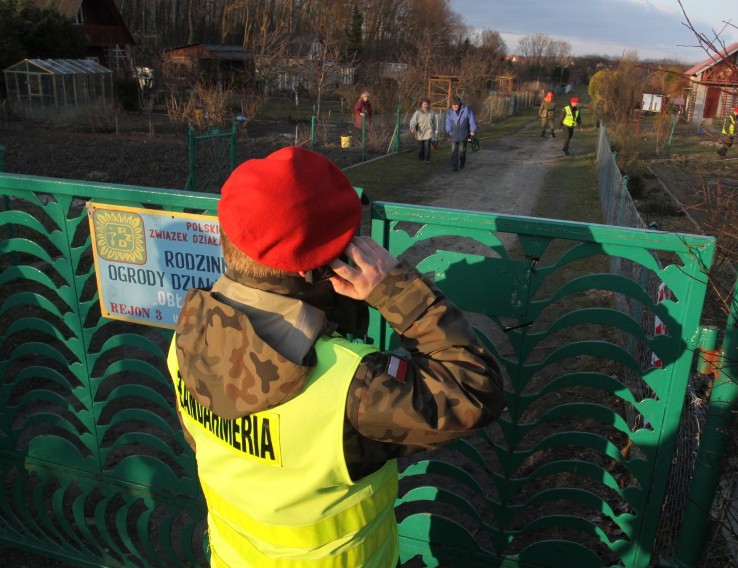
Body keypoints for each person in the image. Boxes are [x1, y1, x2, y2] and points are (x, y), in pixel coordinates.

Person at [166, 147, 505, 567]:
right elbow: (476, 387)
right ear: (331, 265)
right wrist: (397, 291)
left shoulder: (189, 335)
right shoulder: (352, 386)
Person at [445, 95, 477, 171]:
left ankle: (462, 162)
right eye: (453, 105)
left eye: (456, 104)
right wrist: (449, 131)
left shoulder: (466, 110)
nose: (454, 106)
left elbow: (472, 120)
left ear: (459, 104)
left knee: (462, 151)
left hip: (464, 134)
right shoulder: (450, 112)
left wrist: (472, 130)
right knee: (453, 151)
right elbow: (447, 123)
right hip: (454, 134)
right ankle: (454, 167)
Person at [409, 98, 437, 164]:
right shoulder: (418, 112)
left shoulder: (431, 113)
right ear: (421, 105)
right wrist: (412, 127)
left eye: (427, 104)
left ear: (428, 105)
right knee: (421, 147)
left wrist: (435, 131)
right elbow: (413, 121)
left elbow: (434, 122)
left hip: (428, 132)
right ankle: (421, 158)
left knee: (427, 146)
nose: (425, 106)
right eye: (424, 104)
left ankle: (427, 159)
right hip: (420, 132)